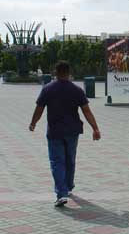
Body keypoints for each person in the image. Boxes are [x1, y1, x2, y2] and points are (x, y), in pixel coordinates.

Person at [28, 61, 101, 207]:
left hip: (55, 131)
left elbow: (39, 109)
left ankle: (61, 193)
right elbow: (86, 111)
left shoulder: (48, 89)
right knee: (70, 159)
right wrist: (95, 128)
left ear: (56, 72)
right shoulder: (76, 90)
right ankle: (67, 187)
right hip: (72, 131)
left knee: (57, 162)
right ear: (69, 72)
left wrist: (33, 123)